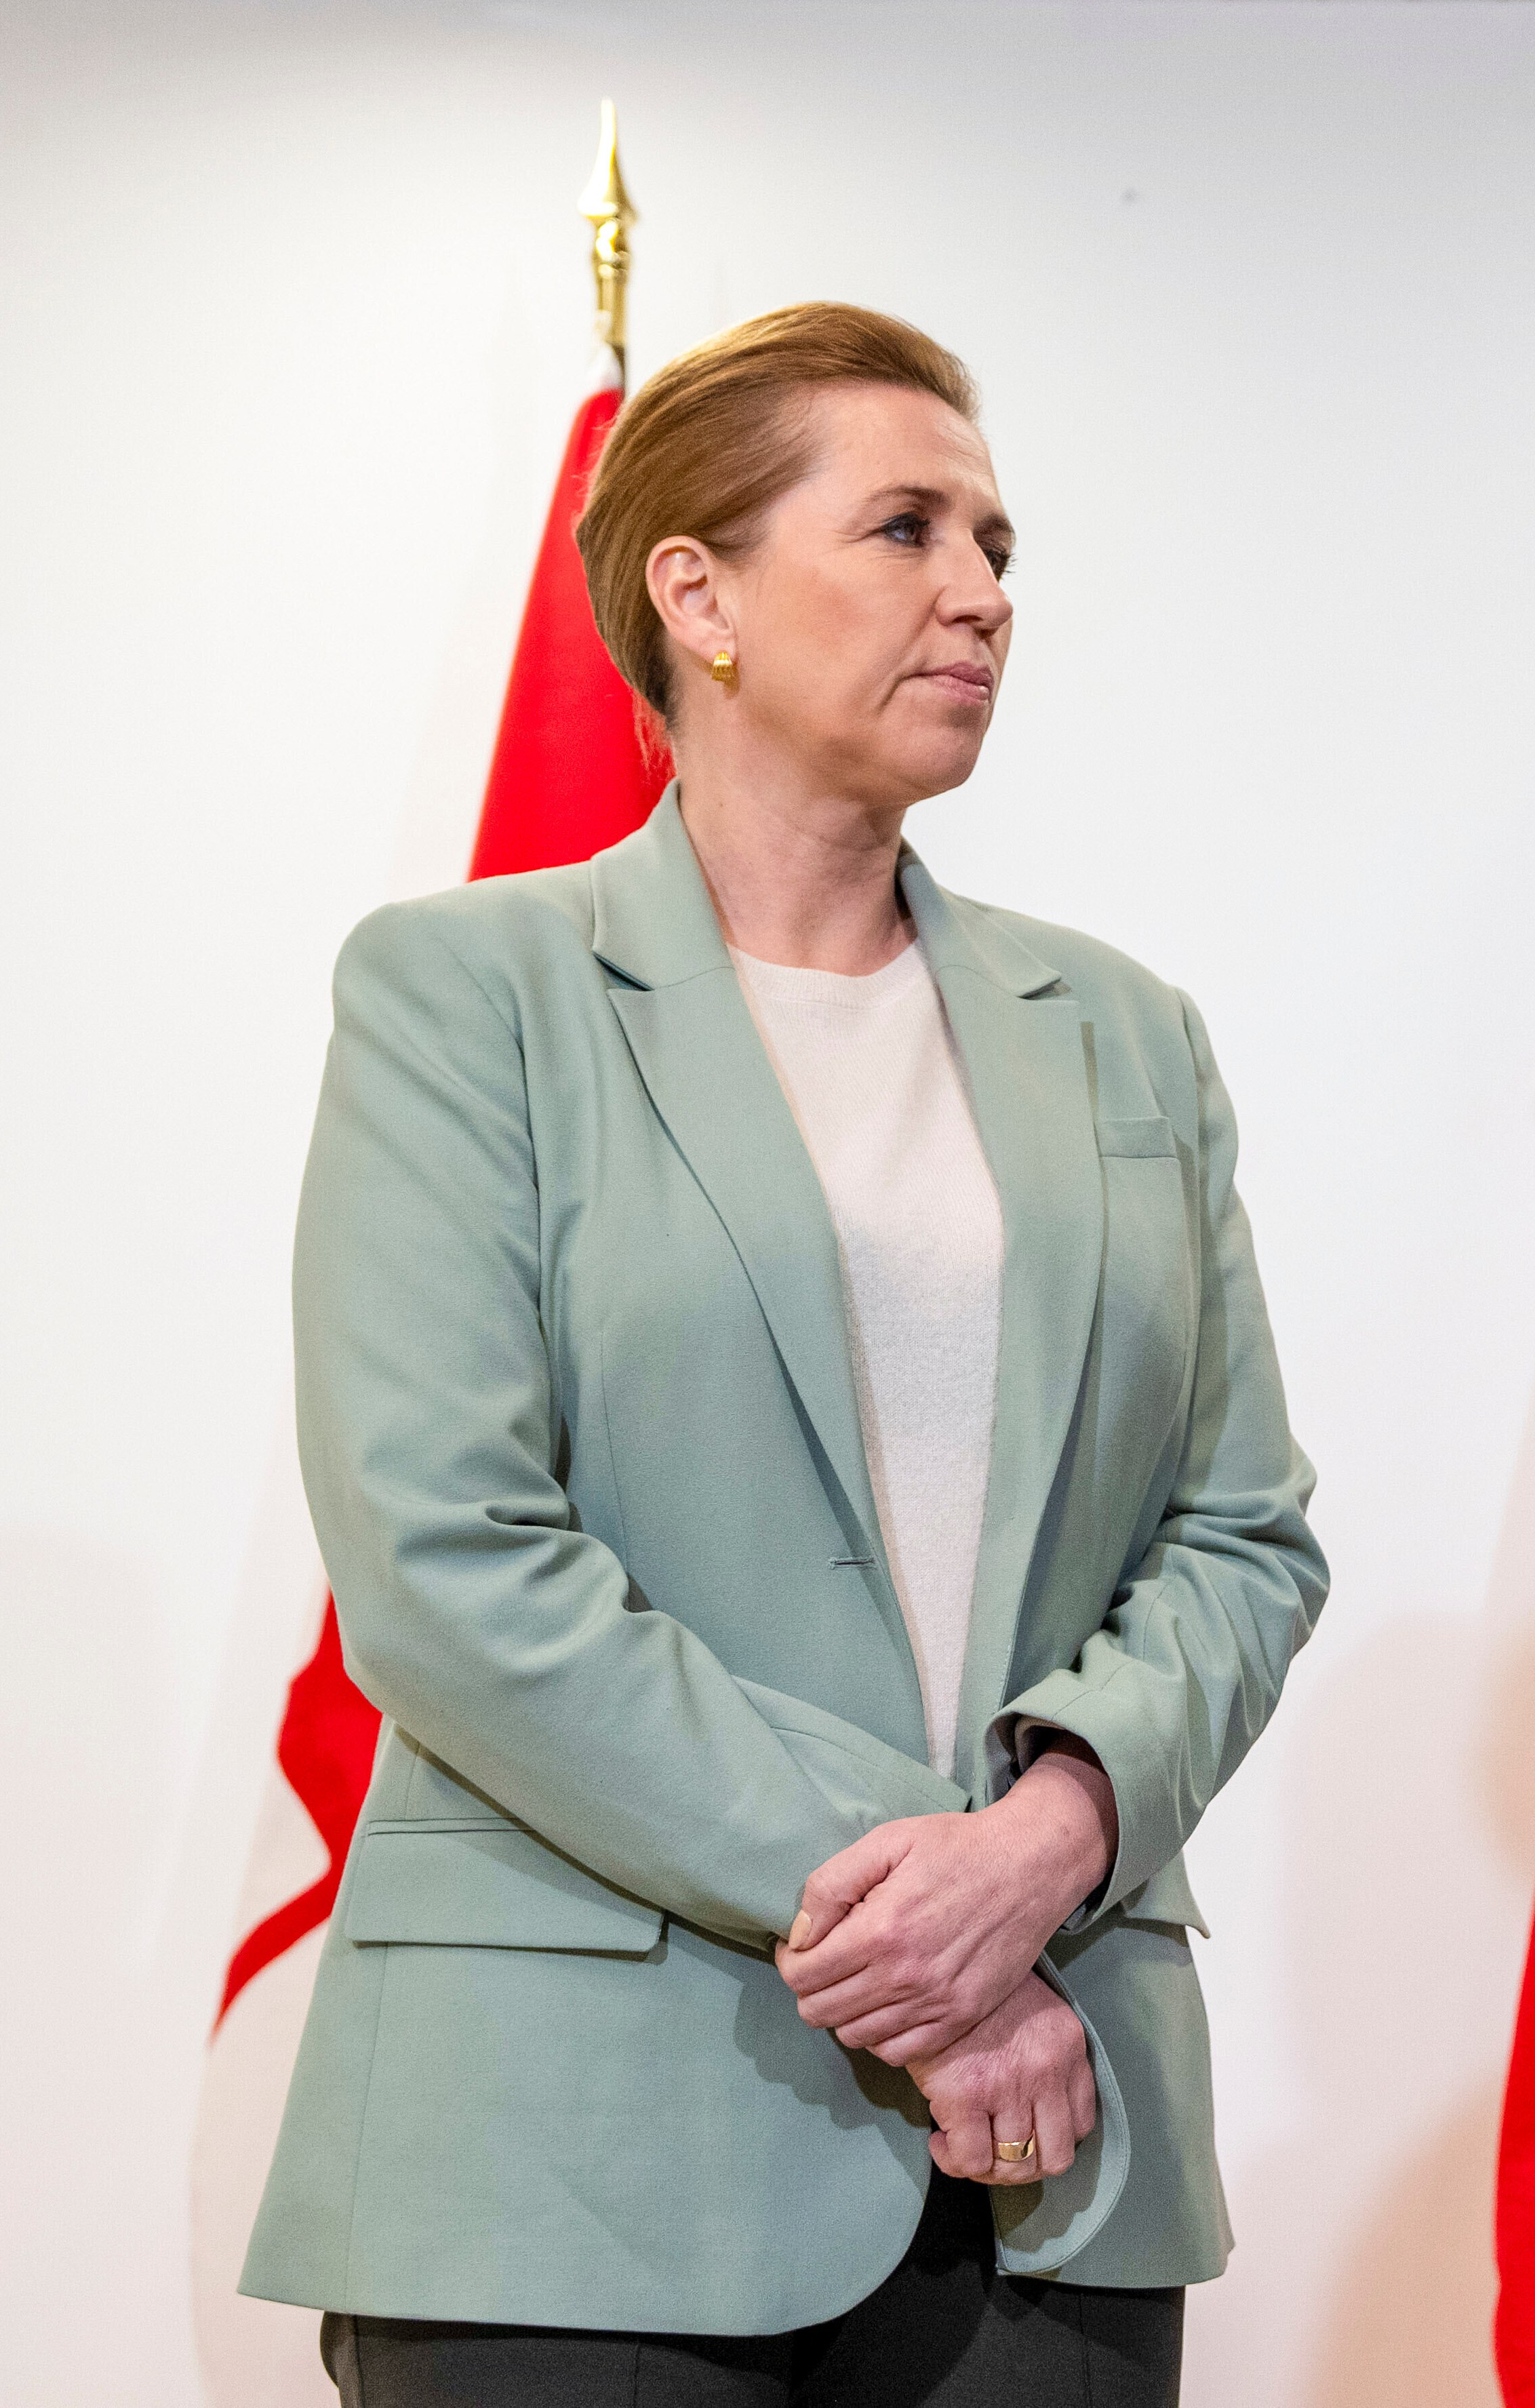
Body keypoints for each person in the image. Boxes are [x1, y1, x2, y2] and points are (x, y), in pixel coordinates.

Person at [243, 302, 1326, 2405]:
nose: (983, 596)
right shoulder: (471, 997)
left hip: (1046, 2141)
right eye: (907, 528)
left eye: (1000, 546)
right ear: (698, 594)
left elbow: (1244, 1537)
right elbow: (447, 1557)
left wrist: (1042, 1851)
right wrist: (929, 1945)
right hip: (571, 2160)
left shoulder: (1123, 1034)